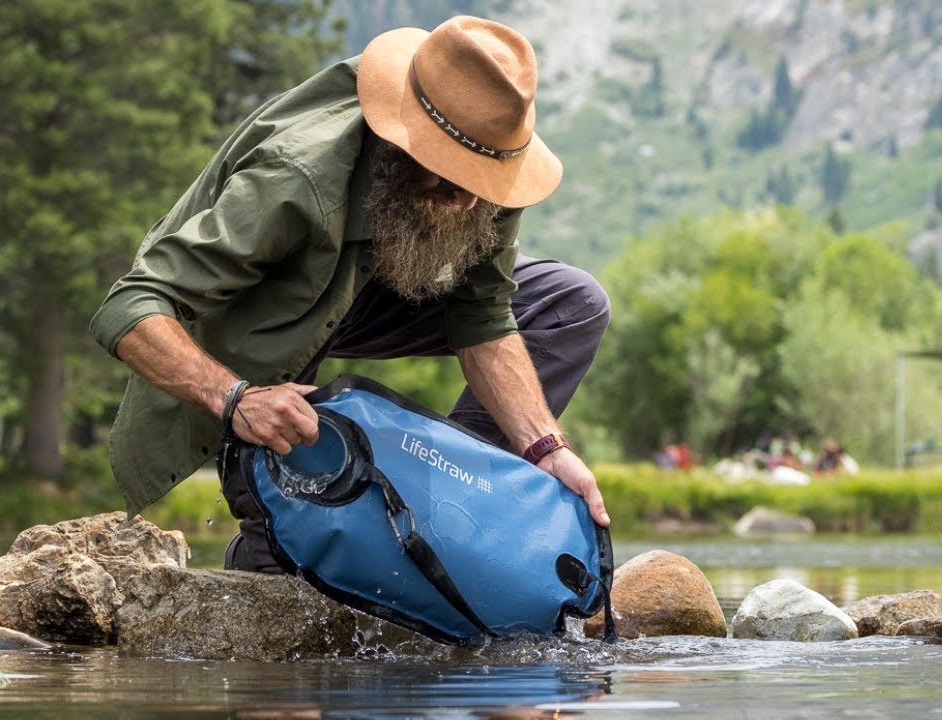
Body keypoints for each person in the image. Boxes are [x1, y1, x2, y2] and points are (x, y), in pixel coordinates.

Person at [90, 16, 611, 573]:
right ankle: (271, 546)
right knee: (288, 552)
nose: (468, 204)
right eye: (453, 180)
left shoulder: (487, 166)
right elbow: (130, 304)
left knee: (571, 302)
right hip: (262, 314)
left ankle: (439, 506)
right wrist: (236, 398)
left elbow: (482, 317)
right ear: (402, 140)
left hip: (374, 286)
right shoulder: (295, 176)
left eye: (483, 185)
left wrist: (545, 449)